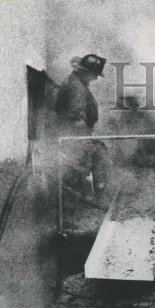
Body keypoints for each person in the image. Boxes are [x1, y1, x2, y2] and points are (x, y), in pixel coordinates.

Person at [54, 53, 111, 201]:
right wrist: (86, 140)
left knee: (91, 158)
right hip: (75, 136)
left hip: (75, 134)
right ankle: (92, 199)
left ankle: (86, 198)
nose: (96, 78)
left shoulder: (76, 82)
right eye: (94, 74)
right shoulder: (76, 87)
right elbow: (75, 117)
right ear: (85, 72)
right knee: (95, 156)